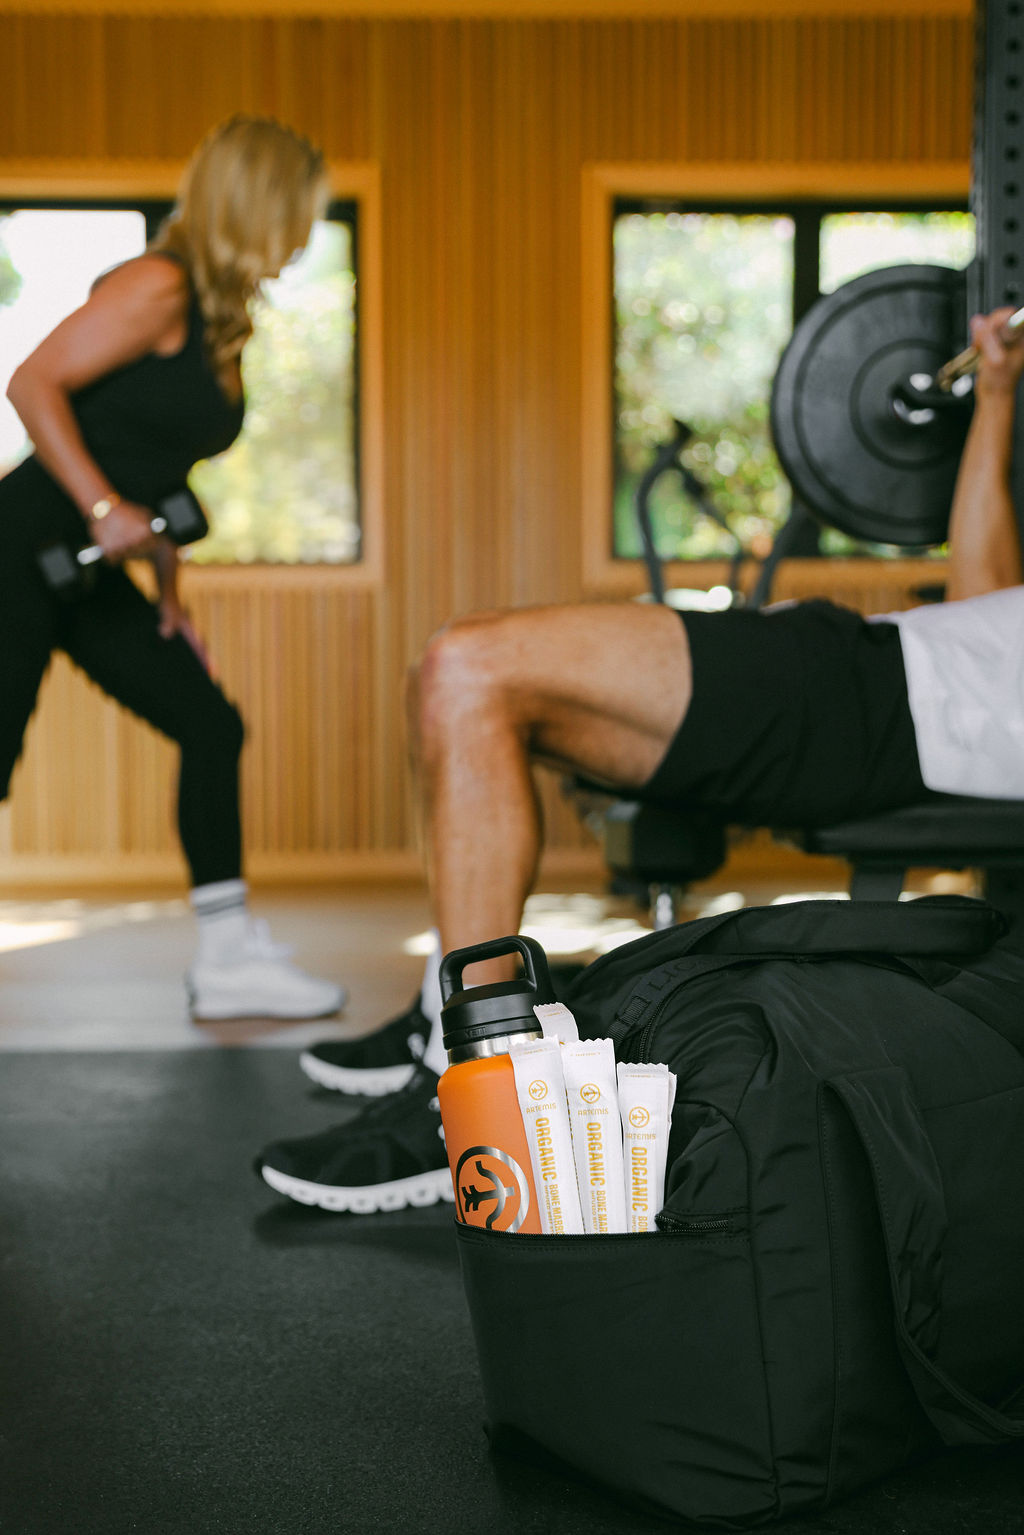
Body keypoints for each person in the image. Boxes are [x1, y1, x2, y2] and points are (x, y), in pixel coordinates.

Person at [256, 304, 1024, 1209]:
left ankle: (475, 1089)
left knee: (470, 667)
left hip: (873, 707)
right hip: (873, 661)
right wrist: (999, 394)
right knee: (445, 678)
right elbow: (988, 603)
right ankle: (445, 1015)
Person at [1, 115, 343, 1022]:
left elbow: (154, 467)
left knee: (209, 723)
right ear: (259, 205)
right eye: (300, 216)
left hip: (85, 567)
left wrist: (169, 592)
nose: (306, 237)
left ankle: (227, 957)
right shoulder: (157, 285)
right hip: (16, 541)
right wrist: (106, 508)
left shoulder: (221, 319)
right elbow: (31, 383)